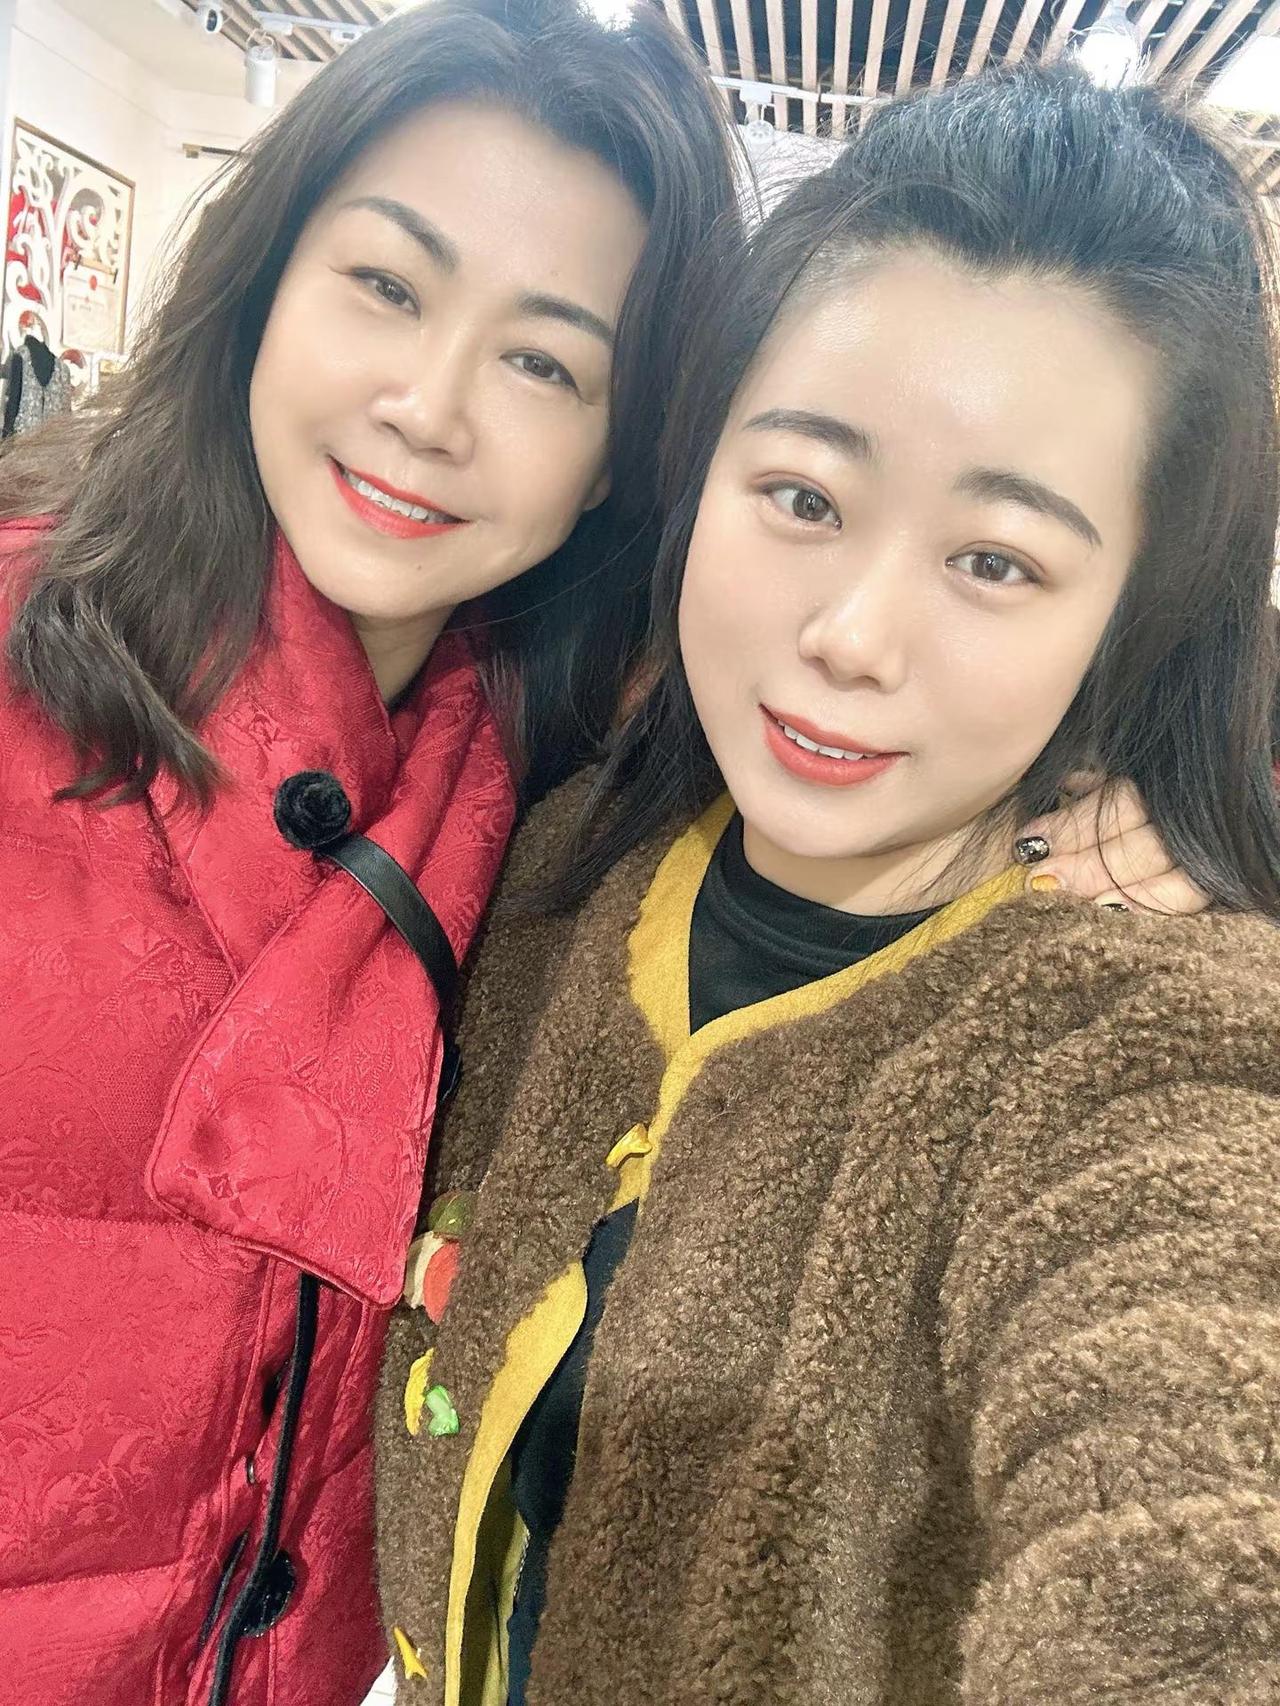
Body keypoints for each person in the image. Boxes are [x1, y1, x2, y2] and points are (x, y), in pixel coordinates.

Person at [375, 65, 1280, 1706]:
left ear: (1140, 611)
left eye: (995, 560)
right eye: (801, 495)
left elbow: (1195, 1534)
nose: (851, 634)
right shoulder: (566, 854)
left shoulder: (1138, 1045)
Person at [0, 5, 742, 1704]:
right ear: (269, 280)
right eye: (387, 286)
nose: (428, 407)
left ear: (621, 453)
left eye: (545, 363)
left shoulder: (565, 798)